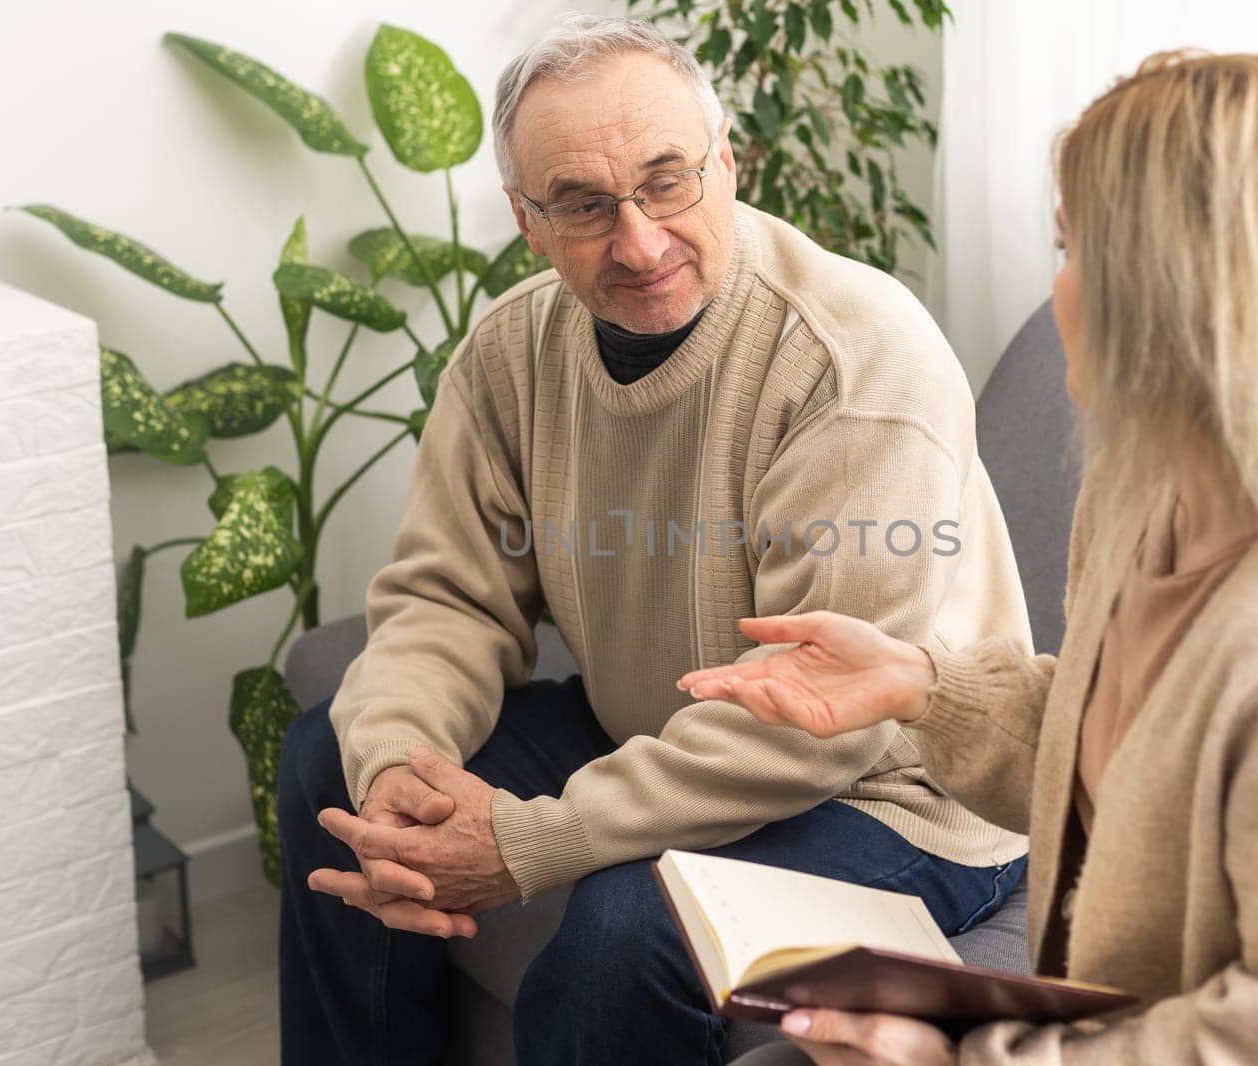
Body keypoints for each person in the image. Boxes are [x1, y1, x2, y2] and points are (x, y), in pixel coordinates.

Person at [680, 50, 1258, 1065]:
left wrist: (958, 1058)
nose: (1057, 291)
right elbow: (1138, 773)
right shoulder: (1144, 501)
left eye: (1073, 251)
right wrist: (922, 687)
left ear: (1164, 291)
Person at [276, 13, 1035, 1066]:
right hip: (652, 731)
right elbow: (448, 600)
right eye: (584, 206)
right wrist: (396, 767)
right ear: (527, 220)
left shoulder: (853, 358)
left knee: (625, 933)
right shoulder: (509, 352)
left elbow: (816, 721)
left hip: (891, 795)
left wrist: (526, 839)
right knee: (331, 750)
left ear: (726, 163)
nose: (637, 242)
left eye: (667, 181)